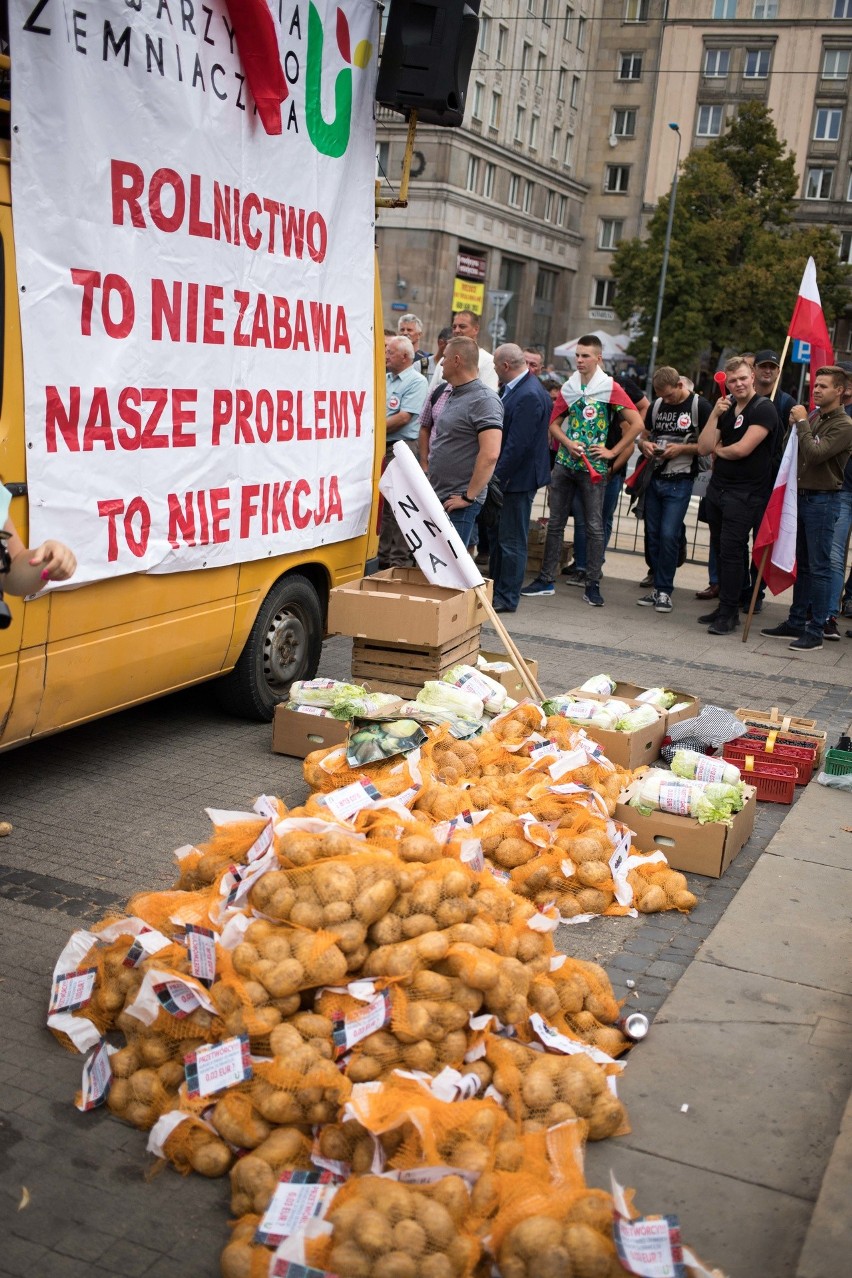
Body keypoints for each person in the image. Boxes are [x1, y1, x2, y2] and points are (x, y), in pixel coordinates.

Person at [521, 335, 643, 607]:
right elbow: (553, 424)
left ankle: (593, 583)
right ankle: (545, 580)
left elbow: (636, 423)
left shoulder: (609, 388)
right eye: (577, 355)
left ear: (598, 358)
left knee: (594, 526)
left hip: (595, 467)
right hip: (565, 464)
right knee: (555, 523)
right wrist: (567, 443)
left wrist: (612, 453)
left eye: (585, 355)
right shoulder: (569, 387)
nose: (579, 360)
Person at [760, 366, 852, 651]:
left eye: (824, 386)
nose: (817, 390)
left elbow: (815, 454)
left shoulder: (844, 425)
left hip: (824, 500)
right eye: (815, 385)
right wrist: (795, 426)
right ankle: (796, 620)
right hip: (802, 498)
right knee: (805, 564)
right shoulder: (813, 416)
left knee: (821, 567)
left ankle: (816, 628)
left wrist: (801, 424)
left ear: (840, 391)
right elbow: (794, 450)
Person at [696, 355, 779, 634]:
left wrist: (718, 451)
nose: (738, 384)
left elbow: (741, 449)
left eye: (743, 378)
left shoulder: (763, 409)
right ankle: (725, 605)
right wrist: (715, 415)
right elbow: (703, 446)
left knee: (732, 552)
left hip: (746, 495)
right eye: (733, 380)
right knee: (721, 550)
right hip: (719, 489)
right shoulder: (727, 407)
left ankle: (730, 613)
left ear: (753, 376)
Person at [635, 367, 712, 613]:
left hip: (681, 479)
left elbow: (709, 444)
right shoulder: (657, 405)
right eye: (662, 397)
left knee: (669, 534)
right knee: (654, 534)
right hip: (655, 477)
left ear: (680, 385)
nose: (665, 401)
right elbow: (643, 436)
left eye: (669, 396)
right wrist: (644, 445)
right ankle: (657, 587)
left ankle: (665, 590)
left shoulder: (700, 406)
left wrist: (681, 449)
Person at [565, 367, 648, 588]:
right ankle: (582, 565)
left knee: (601, 520)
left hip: (610, 473)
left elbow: (629, 445)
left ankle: (594, 565)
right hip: (584, 471)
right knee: (584, 520)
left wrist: (610, 469)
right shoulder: (582, 398)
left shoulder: (618, 404)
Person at [421, 336, 503, 548]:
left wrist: (468, 497)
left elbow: (490, 454)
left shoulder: (484, 399)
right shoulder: (451, 393)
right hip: (440, 496)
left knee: (450, 570)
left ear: (457, 360)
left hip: (458, 503)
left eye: (445, 358)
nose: (441, 363)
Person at [489, 344, 553, 613]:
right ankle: (499, 590)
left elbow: (518, 444)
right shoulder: (520, 388)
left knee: (512, 539)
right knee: (505, 537)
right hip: (515, 477)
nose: (493, 369)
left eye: (495, 365)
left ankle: (506, 596)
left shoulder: (528, 394)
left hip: (518, 479)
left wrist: (496, 476)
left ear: (505, 366)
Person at [379, 335, 428, 568]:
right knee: (385, 503)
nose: (386, 355)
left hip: (401, 447)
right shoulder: (386, 378)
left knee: (399, 504)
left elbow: (404, 417)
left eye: (390, 352)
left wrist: (373, 428)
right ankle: (383, 555)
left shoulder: (417, 382)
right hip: (383, 445)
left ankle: (398, 560)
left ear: (405, 357)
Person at [429, 310, 498, 391]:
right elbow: (431, 393)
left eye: (462, 326)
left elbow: (488, 397)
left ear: (476, 329)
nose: (457, 330)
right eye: (454, 327)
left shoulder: (488, 361)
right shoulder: (444, 359)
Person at [397, 313, 430, 377]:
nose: (405, 333)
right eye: (402, 330)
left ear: (419, 335)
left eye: (409, 330)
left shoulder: (425, 360)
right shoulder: (392, 356)